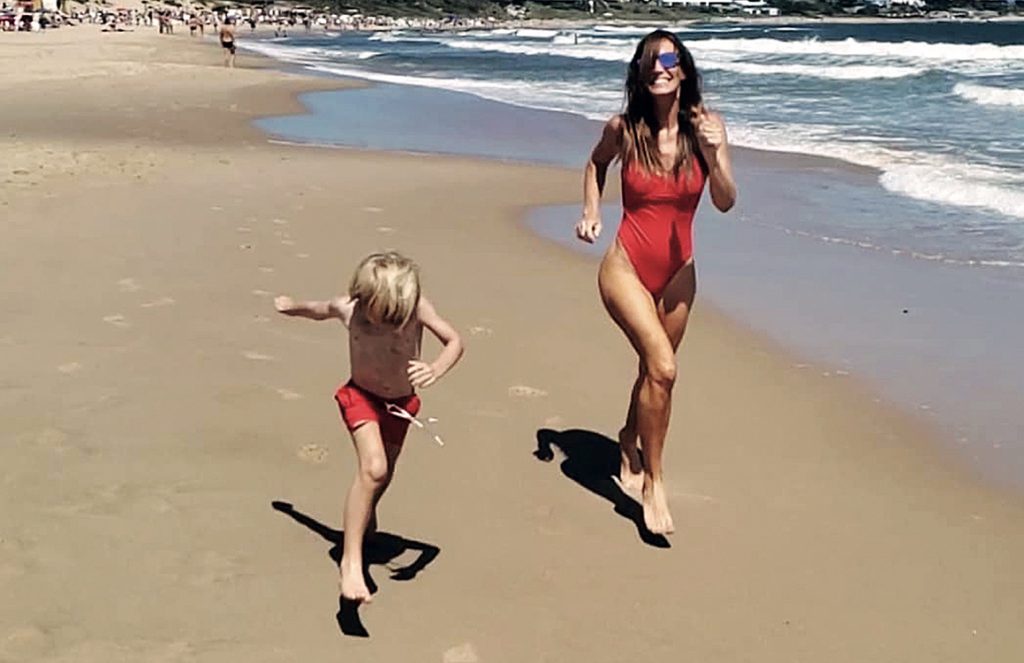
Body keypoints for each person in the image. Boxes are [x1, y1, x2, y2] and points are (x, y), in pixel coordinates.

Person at [575, 30, 737, 536]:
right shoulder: (624, 129)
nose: (659, 67)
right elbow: (595, 163)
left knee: (654, 371)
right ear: (639, 73)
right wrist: (591, 211)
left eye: (668, 58)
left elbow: (725, 200)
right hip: (625, 266)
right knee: (664, 368)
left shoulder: (707, 128)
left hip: (679, 273)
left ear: (683, 68)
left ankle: (629, 436)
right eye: (649, 60)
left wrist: (714, 155)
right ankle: (654, 482)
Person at [274, 252, 464, 603]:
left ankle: (363, 515)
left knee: (382, 476)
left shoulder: (417, 307)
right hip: (360, 397)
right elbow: (318, 309)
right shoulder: (349, 308)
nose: (391, 323)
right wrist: (292, 307)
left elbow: (454, 341)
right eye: (383, 317)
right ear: (364, 298)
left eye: (398, 317)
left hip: (402, 406)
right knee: (374, 468)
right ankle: (351, 563)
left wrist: (435, 368)